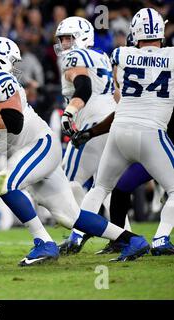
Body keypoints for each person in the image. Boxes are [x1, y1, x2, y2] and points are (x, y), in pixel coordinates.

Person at [0, 36, 149, 264]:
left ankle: (43, 243)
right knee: (69, 216)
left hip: (38, 145)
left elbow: (14, 122)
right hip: (27, 151)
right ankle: (132, 240)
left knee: (5, 184)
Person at [73, 8, 174, 259]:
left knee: (99, 188)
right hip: (152, 132)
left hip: (119, 131)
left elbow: (120, 95)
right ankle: (161, 238)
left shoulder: (120, 54)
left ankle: (76, 236)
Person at [53, 16, 117, 253]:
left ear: (82, 37)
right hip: (111, 122)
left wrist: (69, 112)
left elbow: (84, 87)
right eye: (62, 39)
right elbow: (117, 94)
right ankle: (122, 236)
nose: (65, 44)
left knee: (67, 183)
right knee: (103, 185)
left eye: (68, 38)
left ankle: (78, 234)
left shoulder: (75, 57)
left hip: (91, 124)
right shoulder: (102, 56)